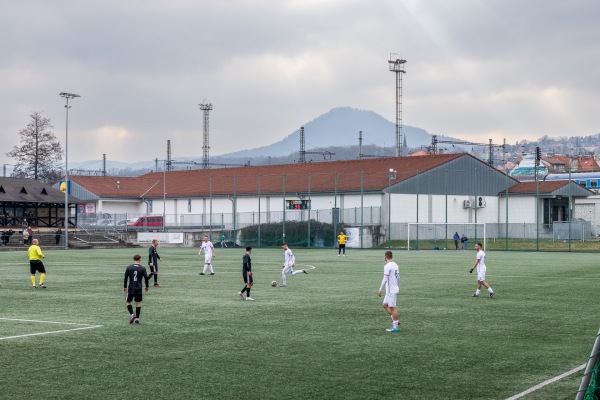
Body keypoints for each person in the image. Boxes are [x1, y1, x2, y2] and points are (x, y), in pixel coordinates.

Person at [378, 250, 400, 332]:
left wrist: (380, 289)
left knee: (392, 308)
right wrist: (397, 286)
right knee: (384, 305)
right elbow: (398, 277)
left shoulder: (387, 266)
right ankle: (396, 320)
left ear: (385, 256)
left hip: (391, 290)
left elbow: (385, 279)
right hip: (392, 289)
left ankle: (395, 327)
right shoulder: (395, 265)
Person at [124, 254, 149, 324]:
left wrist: (125, 287)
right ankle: (137, 318)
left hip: (131, 288)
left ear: (133, 259)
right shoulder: (142, 268)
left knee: (128, 302)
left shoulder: (129, 267)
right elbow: (146, 278)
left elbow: (126, 277)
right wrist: (147, 286)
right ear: (139, 259)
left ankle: (132, 314)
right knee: (138, 303)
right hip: (139, 288)